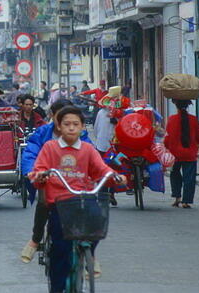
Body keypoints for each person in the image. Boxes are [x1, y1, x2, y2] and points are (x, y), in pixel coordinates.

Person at [27, 106, 125, 291]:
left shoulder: (88, 149)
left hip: (82, 198)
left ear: (82, 127)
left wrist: (115, 175)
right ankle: (57, 287)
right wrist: (39, 175)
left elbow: (101, 168)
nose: (71, 128)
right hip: (59, 201)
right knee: (60, 250)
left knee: (98, 219)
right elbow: (39, 168)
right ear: (59, 126)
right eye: (67, 124)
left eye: (75, 124)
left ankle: (90, 254)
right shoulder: (50, 147)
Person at [20, 99, 92, 264]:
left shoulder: (80, 134)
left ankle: (90, 253)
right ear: (52, 116)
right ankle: (36, 239)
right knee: (44, 202)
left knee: (90, 207)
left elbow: (92, 155)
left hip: (75, 180)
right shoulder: (43, 133)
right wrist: (32, 171)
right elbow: (31, 152)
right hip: (48, 179)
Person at [164, 99, 199, 209]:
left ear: (176, 106)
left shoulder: (172, 119)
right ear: (187, 106)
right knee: (189, 177)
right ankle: (186, 201)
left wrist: (166, 147)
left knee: (175, 174)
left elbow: (167, 137)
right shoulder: (193, 119)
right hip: (190, 154)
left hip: (175, 154)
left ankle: (177, 198)